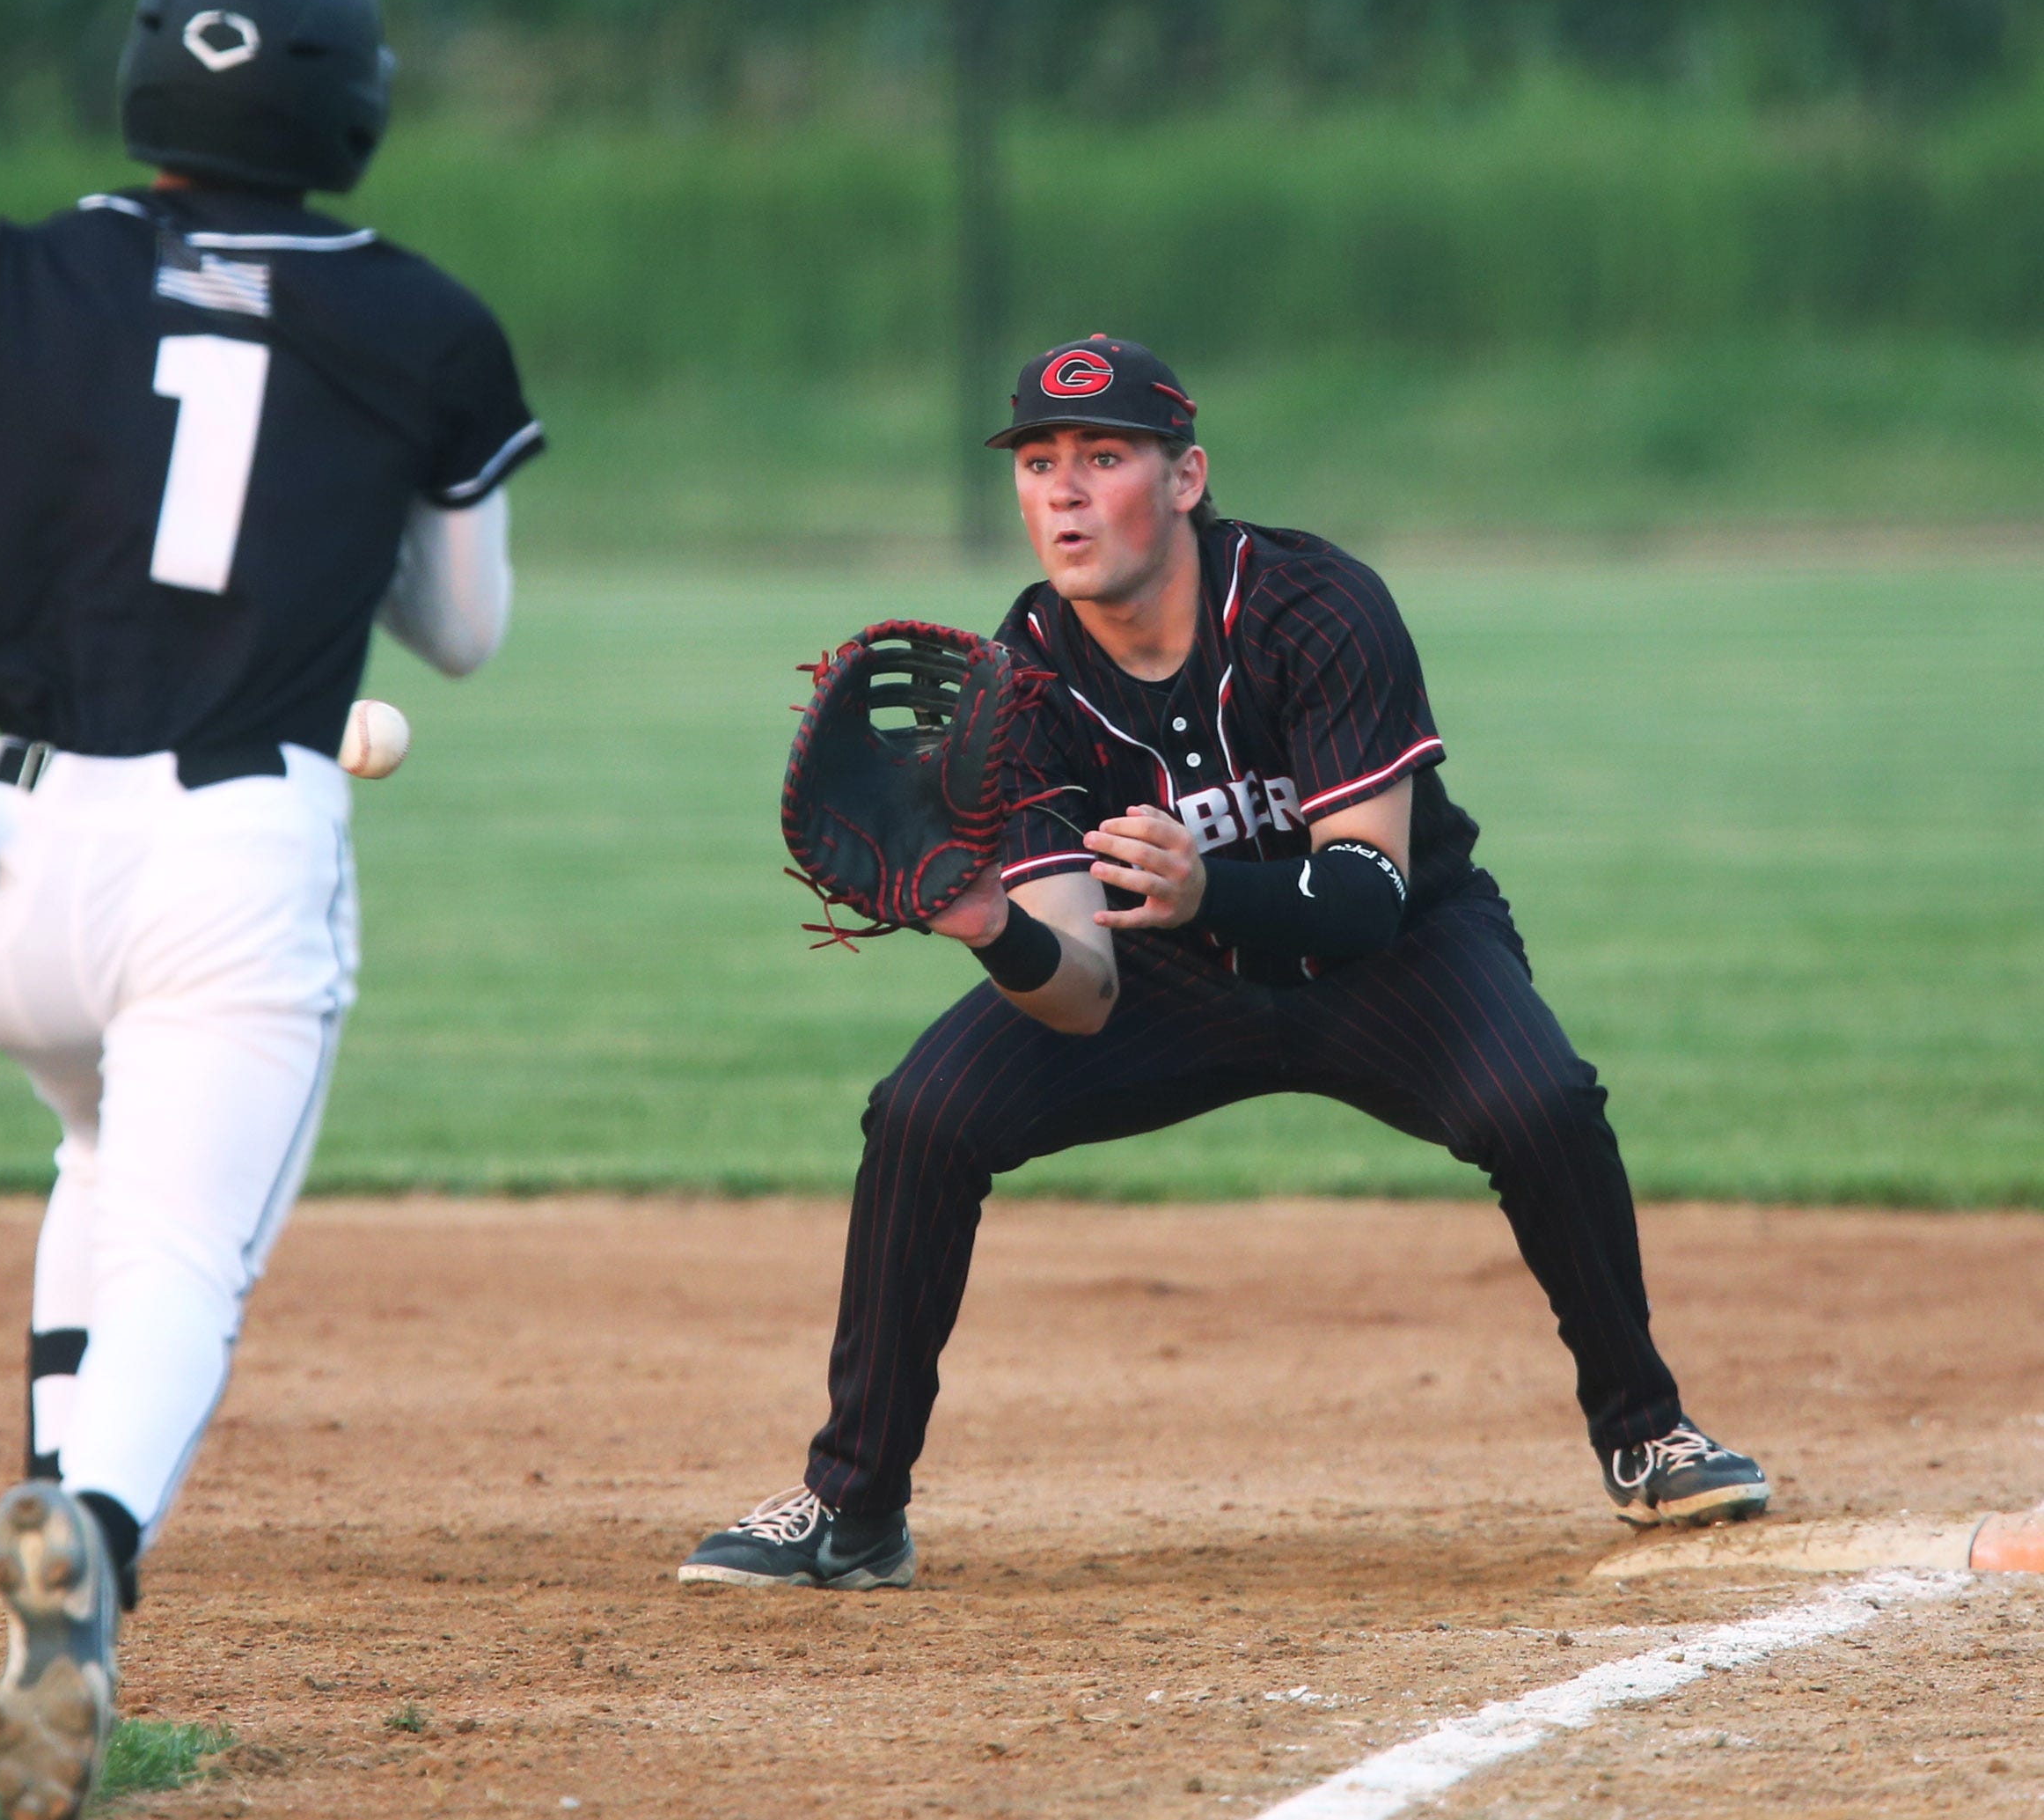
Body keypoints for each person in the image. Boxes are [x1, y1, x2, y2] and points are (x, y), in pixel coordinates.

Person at [0, 0, 542, 1816]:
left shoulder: (12, 269)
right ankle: (88, 1541)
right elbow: (458, 629)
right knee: (188, 1250)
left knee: (104, 1146)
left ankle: (57, 1497)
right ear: (353, 102)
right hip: (231, 847)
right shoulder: (423, 320)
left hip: (0, 862)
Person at [678, 335, 1766, 1590]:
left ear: (1185, 477)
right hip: (1167, 978)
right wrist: (992, 924)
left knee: (1541, 1102)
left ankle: (1645, 1432)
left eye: (1104, 456)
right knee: (924, 1113)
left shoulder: (1313, 604)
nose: (1065, 490)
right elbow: (1081, 990)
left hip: (1395, 958)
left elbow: (1368, 891)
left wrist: (1211, 886)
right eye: (1039, 461)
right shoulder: (1018, 682)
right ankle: (851, 1508)